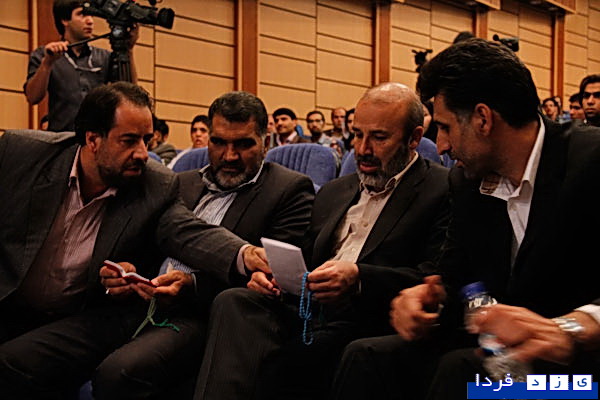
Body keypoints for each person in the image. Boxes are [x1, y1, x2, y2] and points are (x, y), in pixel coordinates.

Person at [337, 38, 600, 400]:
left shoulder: (591, 161)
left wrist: (572, 328)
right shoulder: (467, 182)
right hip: (505, 360)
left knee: (463, 377)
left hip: (580, 380)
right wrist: (427, 299)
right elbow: (456, 277)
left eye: (445, 128)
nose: (441, 146)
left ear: (482, 119)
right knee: (368, 358)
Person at [0, 82, 268, 398]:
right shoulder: (22, 154)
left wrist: (245, 254)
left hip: (80, 315)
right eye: (129, 141)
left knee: (10, 362)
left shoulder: (153, 183)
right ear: (93, 139)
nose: (142, 153)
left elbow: (187, 231)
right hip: (10, 300)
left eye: (146, 140)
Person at [193, 82, 450, 400]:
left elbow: (434, 275)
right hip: (310, 308)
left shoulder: (440, 189)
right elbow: (305, 259)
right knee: (235, 301)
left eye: (379, 137)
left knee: (300, 358)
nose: (363, 149)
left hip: (369, 313)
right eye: (357, 134)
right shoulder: (334, 191)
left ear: (414, 138)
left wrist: (359, 278)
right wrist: (272, 278)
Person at [92, 91, 315, 399]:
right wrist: (127, 270)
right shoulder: (179, 183)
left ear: (266, 142)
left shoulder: (288, 190)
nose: (229, 156)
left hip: (204, 314)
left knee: (119, 373)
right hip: (139, 302)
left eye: (244, 144)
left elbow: (272, 282)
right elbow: (145, 244)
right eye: (219, 142)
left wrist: (192, 285)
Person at [23, 0, 138, 132]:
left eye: (91, 15)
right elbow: (33, 97)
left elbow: (131, 91)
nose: (90, 21)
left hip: (95, 138)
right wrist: (47, 63)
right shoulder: (44, 54)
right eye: (82, 14)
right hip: (61, 138)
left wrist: (128, 50)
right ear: (65, 20)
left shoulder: (104, 57)